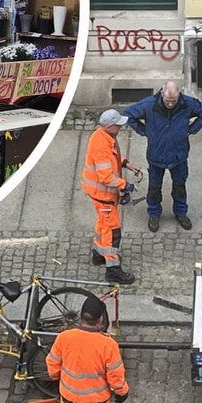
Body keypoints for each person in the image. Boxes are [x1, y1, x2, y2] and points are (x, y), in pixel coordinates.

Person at [124, 80, 202, 232]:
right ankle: (154, 214)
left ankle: (181, 213)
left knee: (179, 186)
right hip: (156, 155)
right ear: (162, 94)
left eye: (173, 101)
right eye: (167, 101)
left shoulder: (187, 104)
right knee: (154, 188)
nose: (170, 104)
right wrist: (144, 131)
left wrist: (191, 129)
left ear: (179, 96)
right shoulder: (149, 104)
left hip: (179, 155)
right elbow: (128, 114)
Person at [81, 109, 141, 284]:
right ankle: (113, 270)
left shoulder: (101, 136)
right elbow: (106, 177)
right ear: (110, 126)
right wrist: (126, 185)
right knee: (112, 232)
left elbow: (111, 159)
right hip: (104, 195)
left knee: (102, 224)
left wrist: (126, 164)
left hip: (98, 194)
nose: (121, 126)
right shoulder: (102, 143)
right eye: (118, 124)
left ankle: (98, 254)